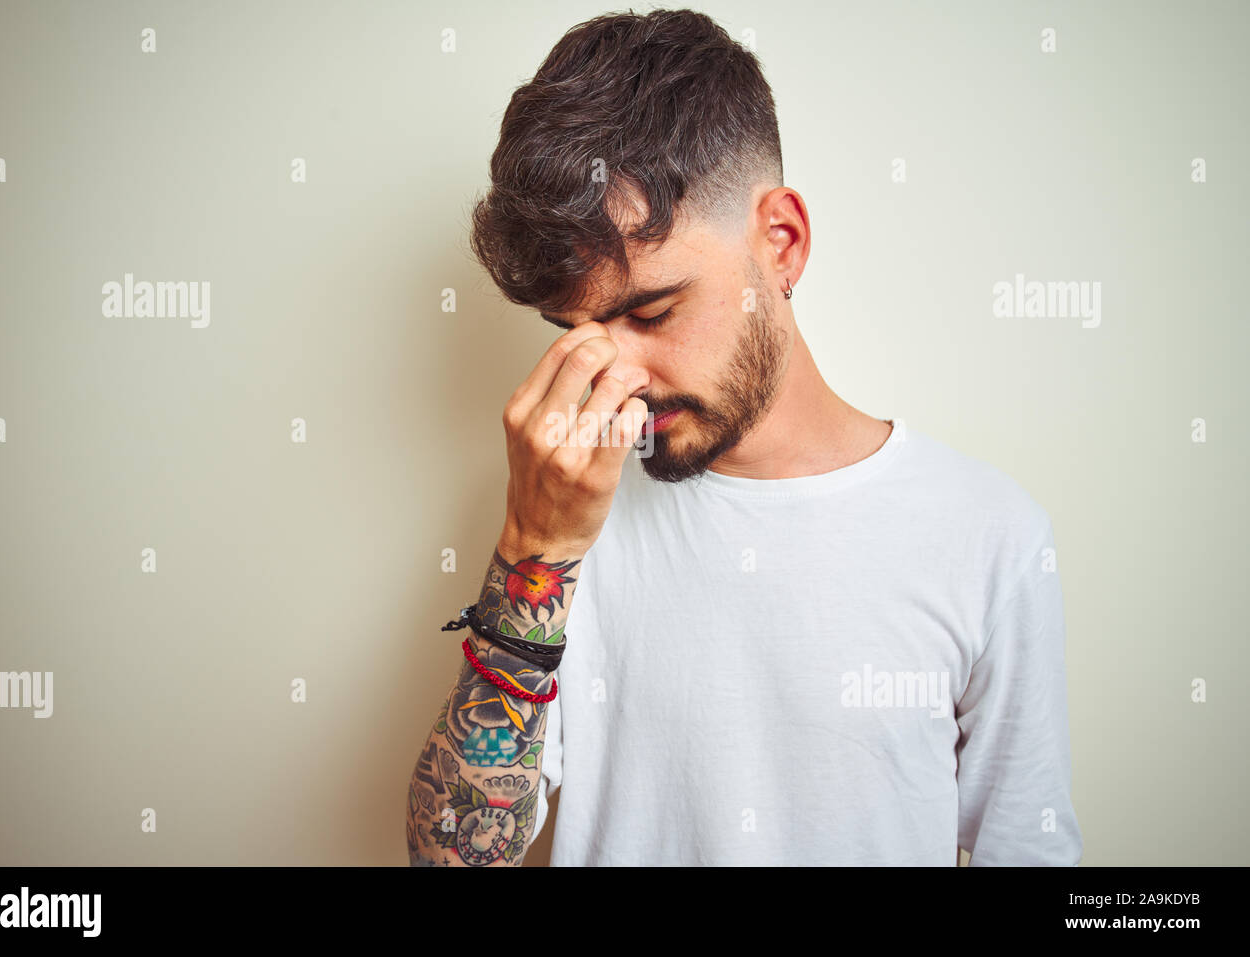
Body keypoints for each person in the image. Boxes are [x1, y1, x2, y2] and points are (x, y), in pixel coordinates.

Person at [405, 8, 1082, 866]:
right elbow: (453, 857)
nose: (620, 379)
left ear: (783, 243)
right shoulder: (569, 511)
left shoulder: (990, 535)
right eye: (577, 332)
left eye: (651, 310)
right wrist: (534, 551)